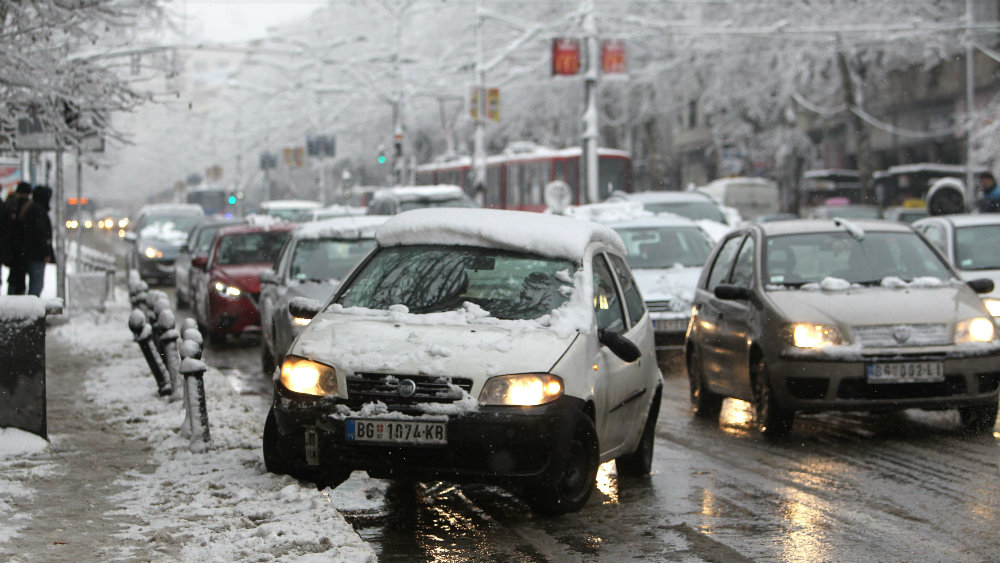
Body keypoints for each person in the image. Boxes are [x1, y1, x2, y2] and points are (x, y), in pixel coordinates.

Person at [18, 184, 55, 296]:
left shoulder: (31, 208)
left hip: (28, 253)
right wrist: (46, 253)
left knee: (33, 284)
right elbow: (41, 234)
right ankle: (31, 309)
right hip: (36, 255)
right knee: (36, 285)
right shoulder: (38, 211)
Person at [1, 181, 33, 294]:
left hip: (11, 246)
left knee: (15, 277)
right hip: (18, 247)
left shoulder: (8, 203)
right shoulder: (21, 205)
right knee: (17, 277)